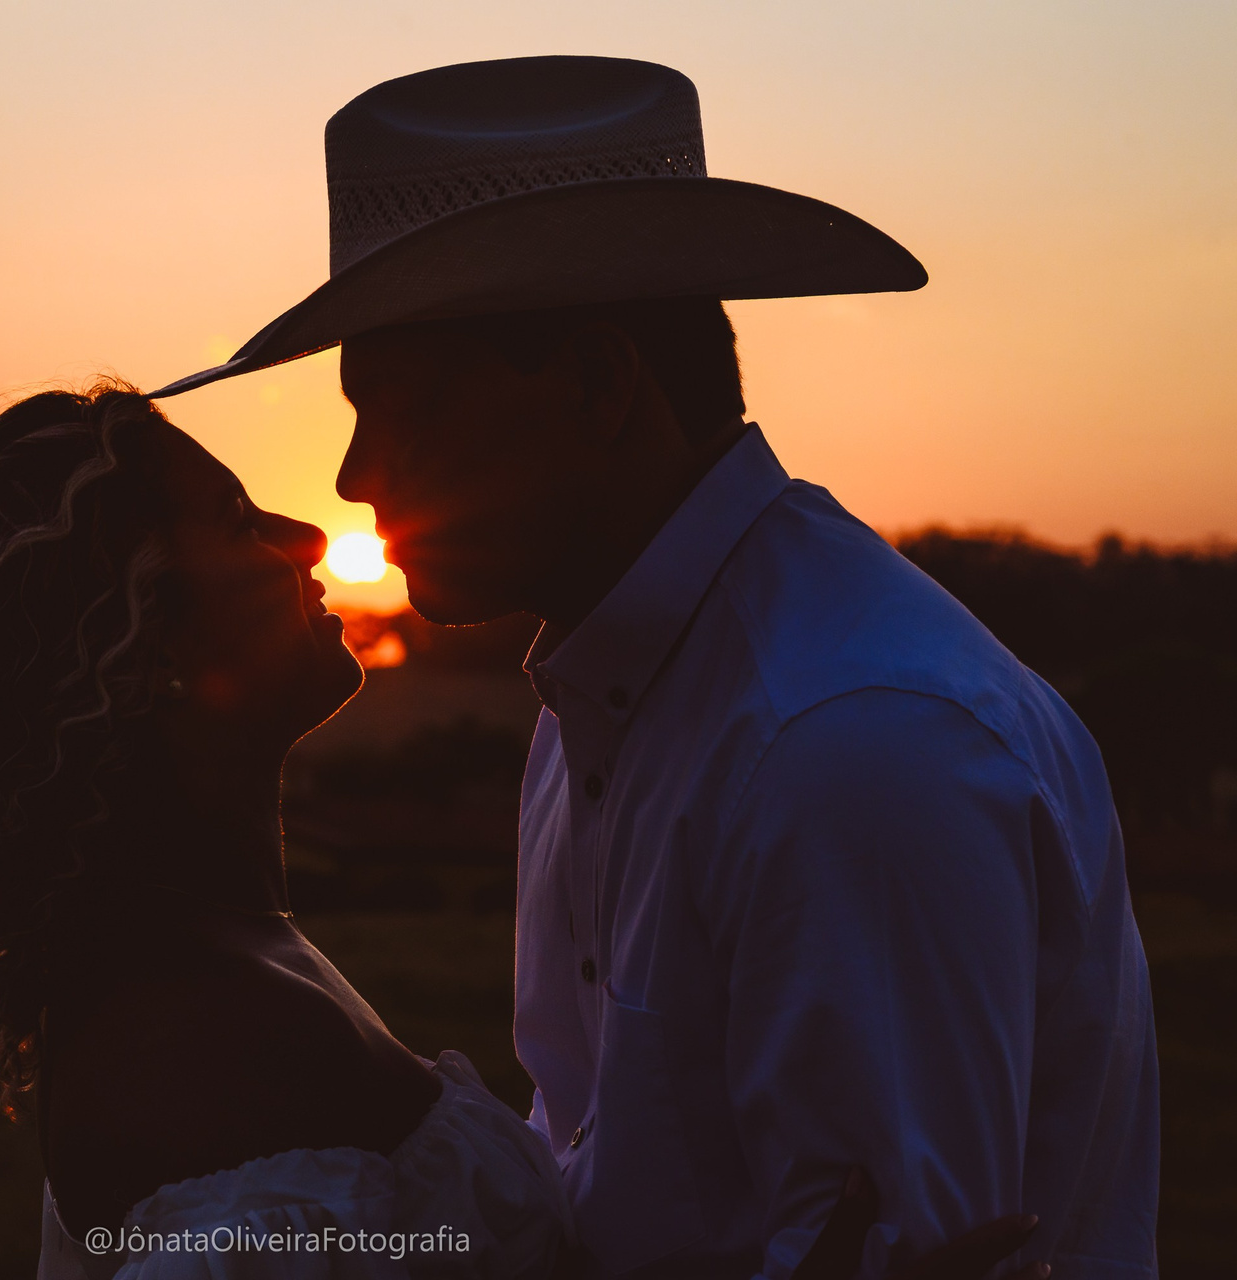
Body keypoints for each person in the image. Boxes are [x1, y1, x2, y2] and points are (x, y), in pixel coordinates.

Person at [146, 57, 1159, 1279]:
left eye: (402, 407)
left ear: (597, 383)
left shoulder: (842, 748)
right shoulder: (598, 709)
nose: (355, 475)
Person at [0, 384, 1044, 1280]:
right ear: (139, 645)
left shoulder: (234, 949)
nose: (306, 531)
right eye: (236, 519)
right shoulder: (187, 1042)